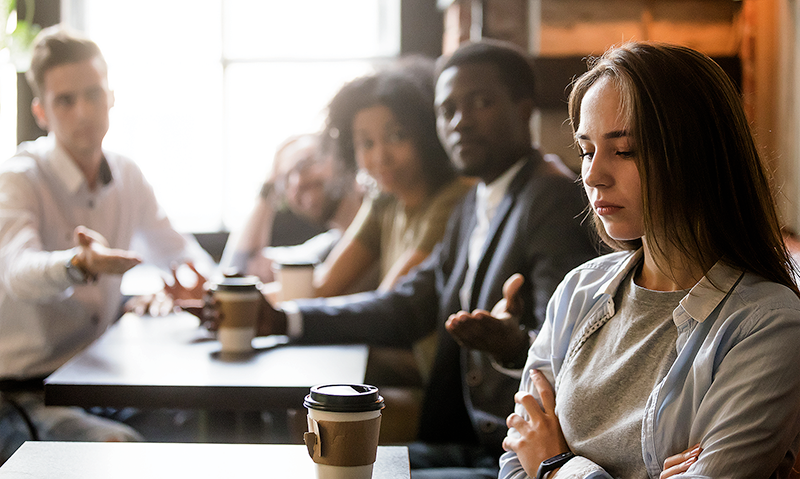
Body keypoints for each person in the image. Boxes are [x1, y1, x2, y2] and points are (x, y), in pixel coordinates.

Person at [194, 40, 597, 478]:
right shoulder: (476, 202)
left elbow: (569, 350)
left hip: (513, 455)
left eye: (480, 103)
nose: (460, 121)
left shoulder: (552, 198)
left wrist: (513, 343)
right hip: (461, 440)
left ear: (523, 108)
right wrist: (282, 320)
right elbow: (406, 305)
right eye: (448, 110)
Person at [497, 42, 800, 479]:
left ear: (697, 155)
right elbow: (511, 465)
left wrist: (556, 464)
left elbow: (533, 461)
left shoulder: (767, 324)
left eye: (624, 150)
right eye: (586, 150)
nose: (593, 175)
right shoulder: (578, 292)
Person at [0, 26, 213, 461]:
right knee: (119, 453)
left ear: (111, 97)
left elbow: (180, 252)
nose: (83, 112)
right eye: (65, 100)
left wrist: (201, 285)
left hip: (94, 381)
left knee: (201, 419)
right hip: (20, 396)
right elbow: (17, 273)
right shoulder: (19, 178)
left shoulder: (126, 175)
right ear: (41, 112)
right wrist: (78, 265)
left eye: (93, 94)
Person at [310, 57, 474, 299]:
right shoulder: (384, 200)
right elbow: (323, 285)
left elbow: (389, 302)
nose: (380, 157)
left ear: (427, 134)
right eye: (366, 143)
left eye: (396, 136)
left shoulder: (454, 199)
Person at [219, 132, 363, 283]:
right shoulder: (327, 247)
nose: (297, 182)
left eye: (305, 164)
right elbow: (239, 271)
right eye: (285, 180)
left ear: (340, 160)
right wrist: (268, 190)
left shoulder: (382, 222)